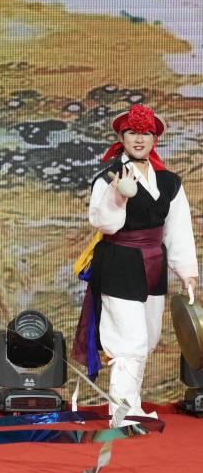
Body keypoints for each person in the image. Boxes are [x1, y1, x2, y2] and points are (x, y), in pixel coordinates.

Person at [74, 104, 197, 420]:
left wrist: (186, 271)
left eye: (146, 133)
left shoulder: (169, 182)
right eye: (132, 132)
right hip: (120, 262)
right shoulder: (109, 178)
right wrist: (118, 196)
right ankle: (124, 412)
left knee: (148, 337)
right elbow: (105, 224)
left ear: (155, 138)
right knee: (130, 341)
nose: (139, 139)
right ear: (121, 137)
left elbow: (177, 228)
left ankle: (132, 407)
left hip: (154, 263)